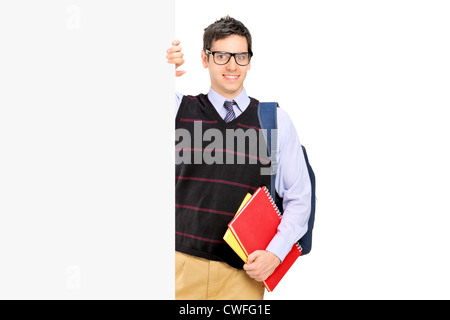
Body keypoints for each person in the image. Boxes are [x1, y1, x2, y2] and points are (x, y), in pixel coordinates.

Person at [167, 16, 311, 300]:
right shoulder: (178, 110)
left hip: (243, 274)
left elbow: (299, 197)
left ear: (249, 60)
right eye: (221, 56)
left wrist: (276, 252)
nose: (232, 65)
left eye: (240, 56)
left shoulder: (273, 122)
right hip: (179, 267)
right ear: (205, 59)